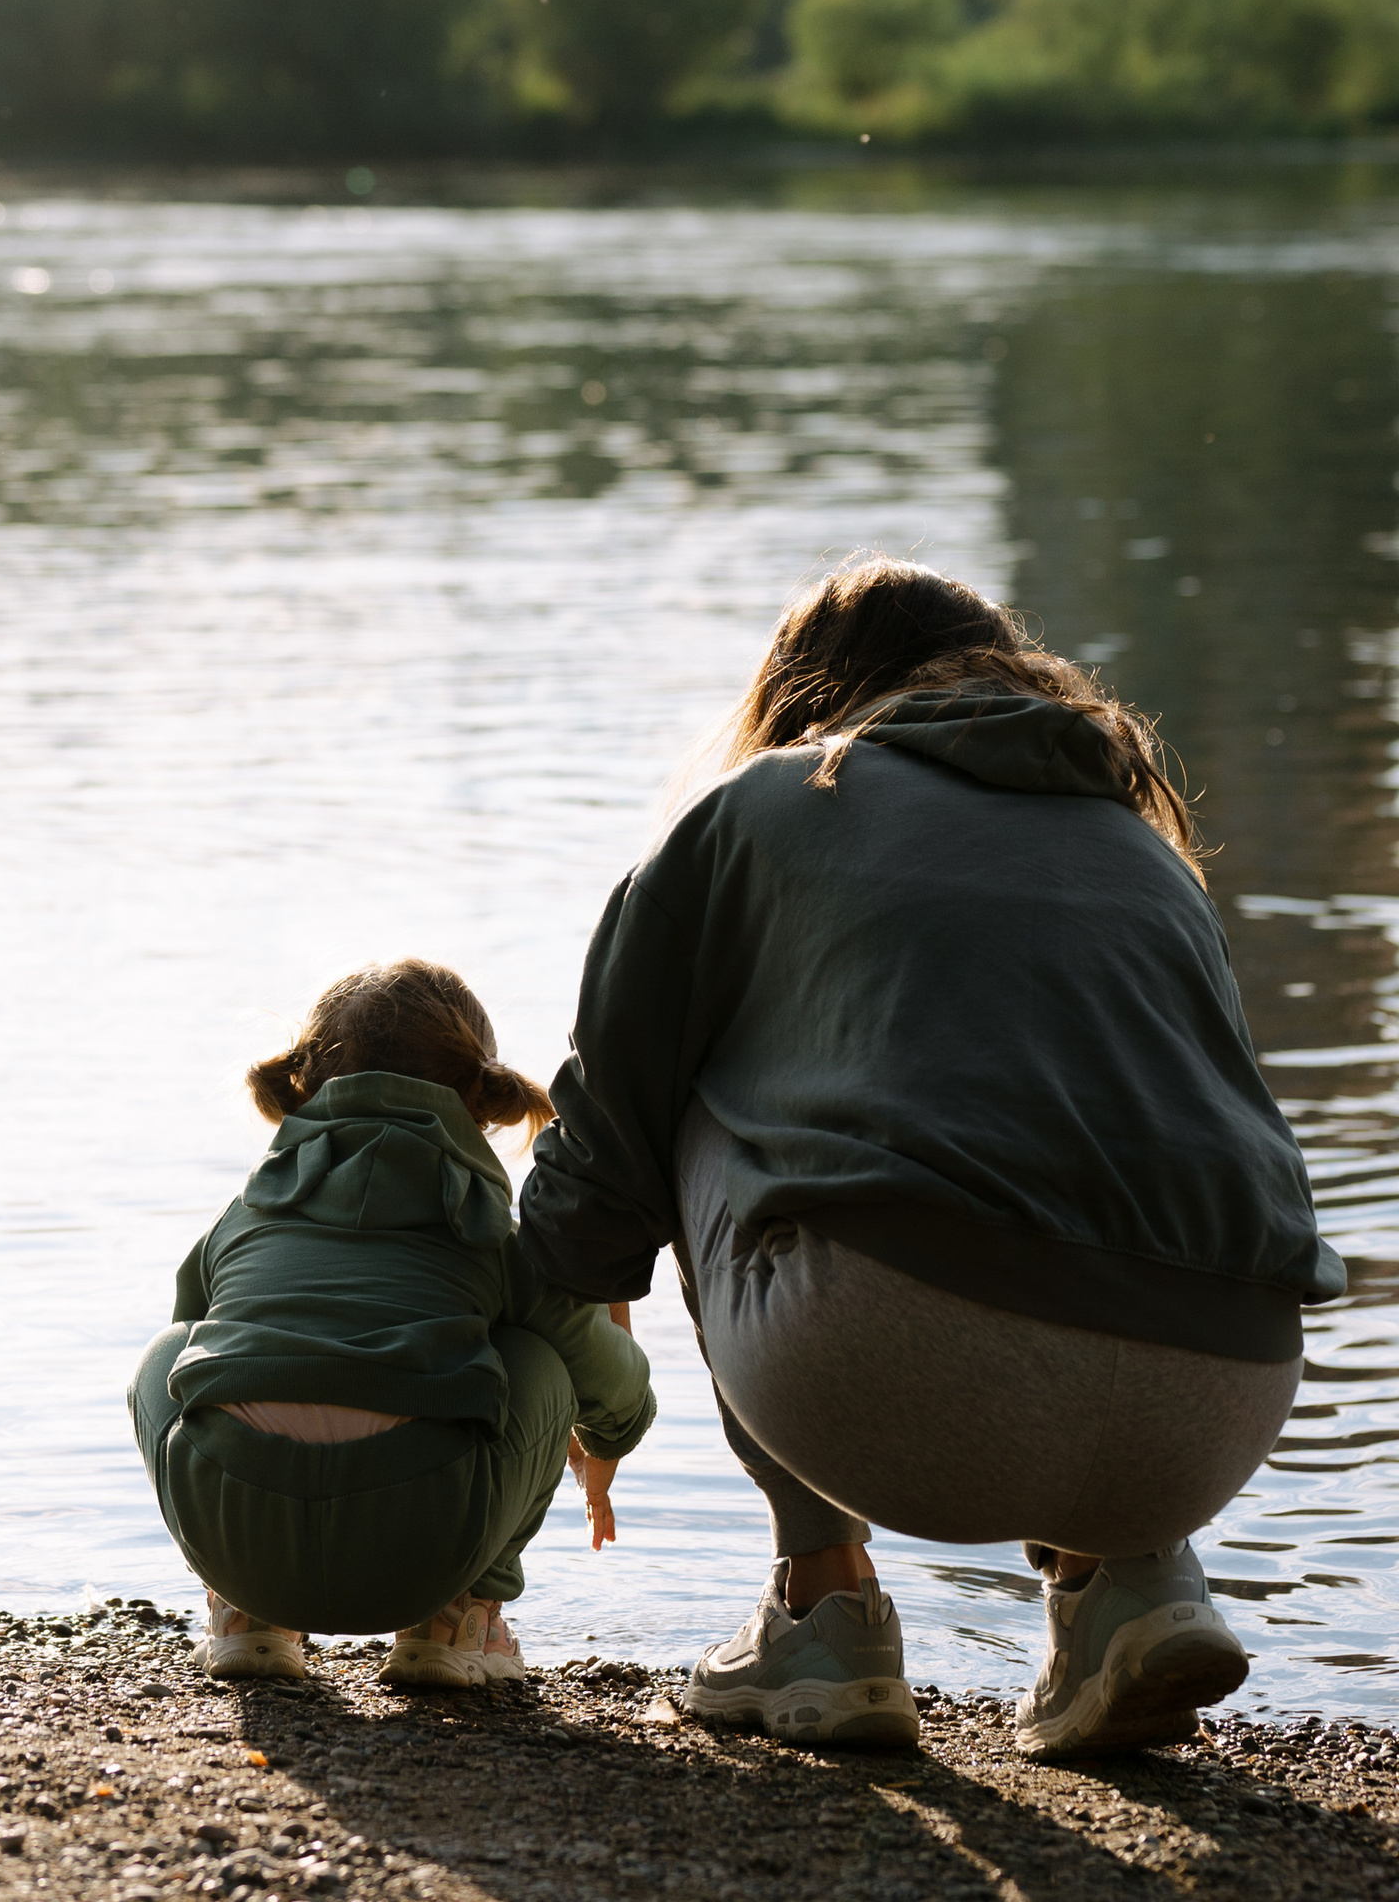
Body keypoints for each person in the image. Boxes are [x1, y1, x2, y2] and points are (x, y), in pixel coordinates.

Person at [519, 557, 1342, 1756]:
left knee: (694, 1071)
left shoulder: (765, 801)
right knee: (1098, 1115)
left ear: (807, 694)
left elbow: (604, 1133)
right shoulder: (1137, 843)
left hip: (901, 1366)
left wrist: (546, 1310)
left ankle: (824, 1609)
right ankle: (1137, 1583)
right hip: (1227, 1396)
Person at [131, 958, 654, 1688]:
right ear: (480, 1099)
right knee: (539, 1360)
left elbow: (194, 1366)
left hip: (235, 1533)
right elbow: (610, 1382)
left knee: (170, 1353)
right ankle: (455, 1620)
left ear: (304, 1085)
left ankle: (246, 1614)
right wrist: (610, 1437)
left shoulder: (243, 1217)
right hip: (423, 1545)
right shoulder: (491, 1237)